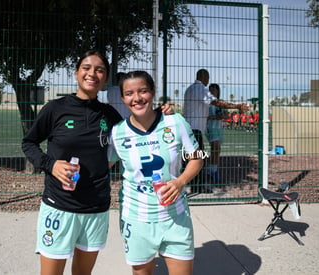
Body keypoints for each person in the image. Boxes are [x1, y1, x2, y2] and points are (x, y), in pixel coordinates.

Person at [22, 50, 174, 275]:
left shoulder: (109, 115)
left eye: (99, 70)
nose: (92, 73)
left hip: (96, 208)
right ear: (76, 73)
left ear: (105, 78)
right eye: (86, 68)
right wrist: (51, 165)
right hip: (59, 206)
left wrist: (160, 114)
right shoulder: (56, 109)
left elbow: (137, 132)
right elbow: (29, 143)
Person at [108, 71, 203, 275]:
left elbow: (197, 157)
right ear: (123, 98)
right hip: (136, 219)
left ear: (152, 92)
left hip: (175, 218)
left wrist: (181, 182)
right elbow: (102, 166)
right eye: (130, 93)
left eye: (143, 91)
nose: (137, 98)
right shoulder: (117, 133)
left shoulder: (176, 122)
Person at [183, 69, 249, 193]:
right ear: (205, 78)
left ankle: (195, 185)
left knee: (192, 159)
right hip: (194, 129)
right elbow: (216, 102)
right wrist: (237, 106)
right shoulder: (200, 89)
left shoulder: (190, 89)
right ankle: (198, 187)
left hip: (189, 128)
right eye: (208, 79)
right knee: (198, 160)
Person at [206, 83, 227, 184]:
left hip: (219, 128)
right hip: (210, 127)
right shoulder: (207, 102)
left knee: (217, 149)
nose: (213, 92)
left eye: (214, 90)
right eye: (211, 90)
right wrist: (214, 117)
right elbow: (206, 116)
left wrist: (221, 115)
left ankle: (212, 169)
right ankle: (212, 170)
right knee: (215, 146)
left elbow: (226, 115)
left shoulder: (221, 102)